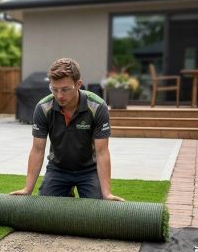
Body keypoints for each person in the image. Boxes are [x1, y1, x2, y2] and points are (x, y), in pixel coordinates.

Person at [11, 58, 124, 201]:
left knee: (97, 209)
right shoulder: (43, 108)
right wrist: (27, 189)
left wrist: (106, 193)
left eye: (65, 89)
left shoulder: (97, 106)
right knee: (46, 207)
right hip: (58, 169)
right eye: (54, 89)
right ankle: (66, 191)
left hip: (89, 170)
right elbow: (37, 150)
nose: (59, 95)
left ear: (78, 84)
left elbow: (102, 152)